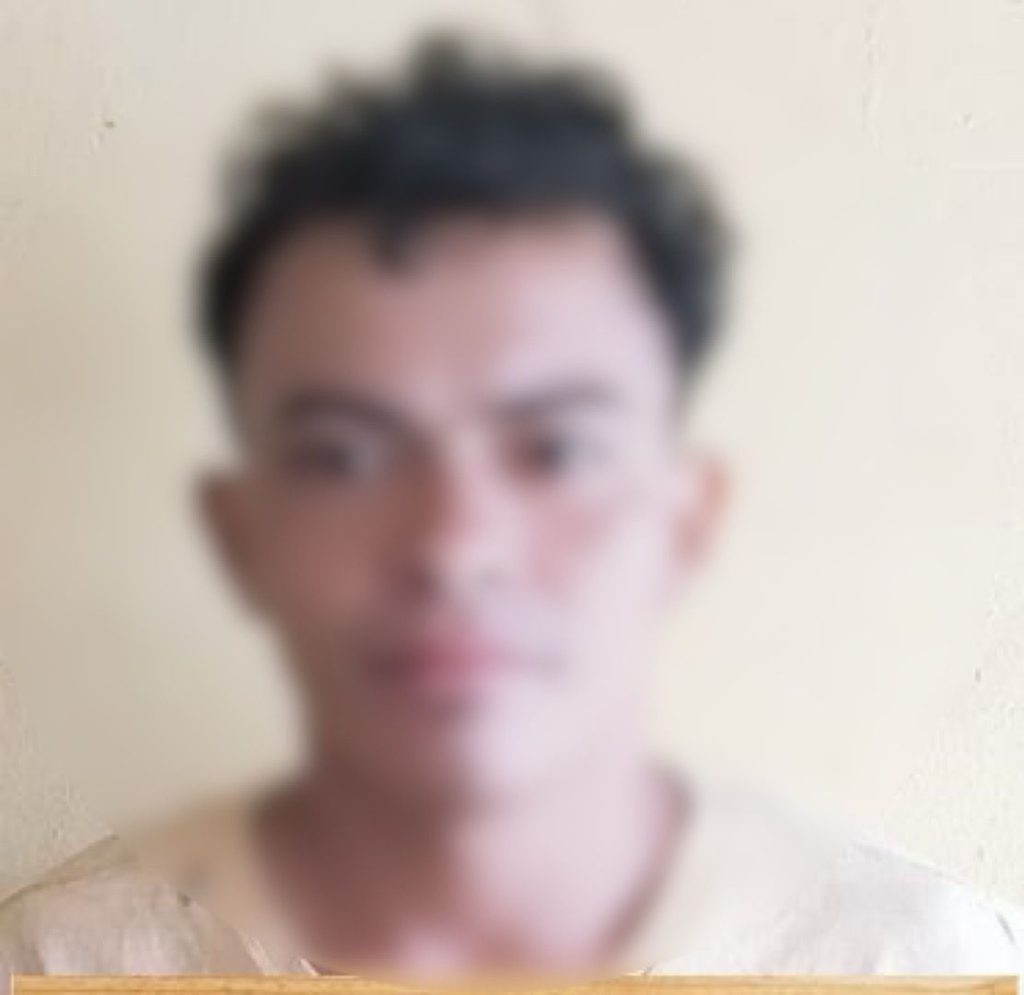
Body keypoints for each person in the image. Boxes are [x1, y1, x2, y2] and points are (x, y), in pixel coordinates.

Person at [1, 33, 1021, 986]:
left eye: (555, 448)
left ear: (681, 516)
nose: (455, 544)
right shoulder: (57, 965)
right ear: (243, 531)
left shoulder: (912, 963)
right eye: (349, 452)